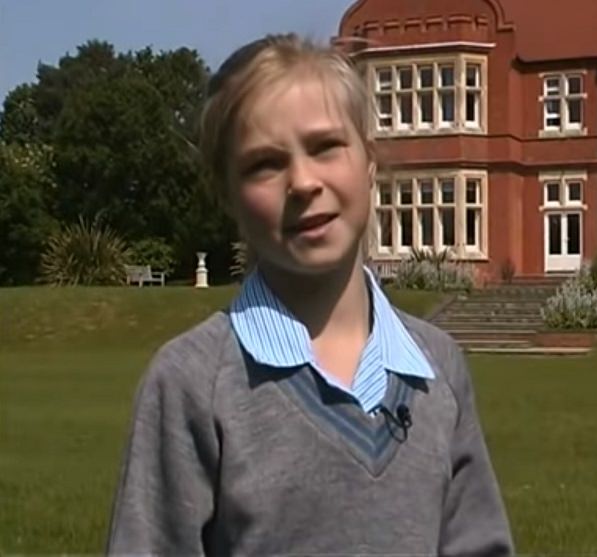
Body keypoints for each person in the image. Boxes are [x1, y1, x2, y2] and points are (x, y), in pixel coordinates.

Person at [106, 33, 513, 556]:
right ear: (226, 193)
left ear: (369, 161)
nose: (302, 182)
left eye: (324, 147)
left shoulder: (438, 369)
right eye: (263, 164)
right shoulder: (191, 383)